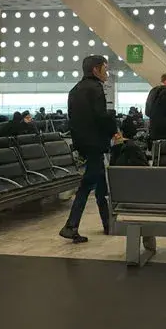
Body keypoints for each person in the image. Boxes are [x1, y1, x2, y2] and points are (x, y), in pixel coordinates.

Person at [59, 55, 118, 243]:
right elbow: (100, 117)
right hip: (95, 143)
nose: (106, 73)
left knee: (101, 184)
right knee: (87, 185)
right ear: (95, 70)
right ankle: (71, 225)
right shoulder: (96, 89)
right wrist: (113, 126)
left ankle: (108, 224)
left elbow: (73, 119)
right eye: (105, 68)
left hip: (83, 143)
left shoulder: (74, 90)